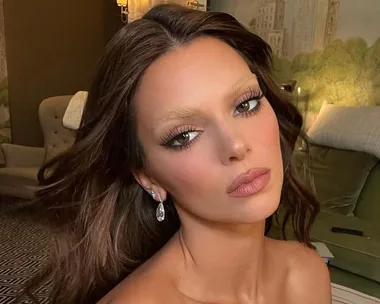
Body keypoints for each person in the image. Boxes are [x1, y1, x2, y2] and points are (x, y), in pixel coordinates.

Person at [23, 3, 331, 304]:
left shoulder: (306, 274)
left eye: (246, 104)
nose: (236, 146)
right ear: (148, 178)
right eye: (185, 135)